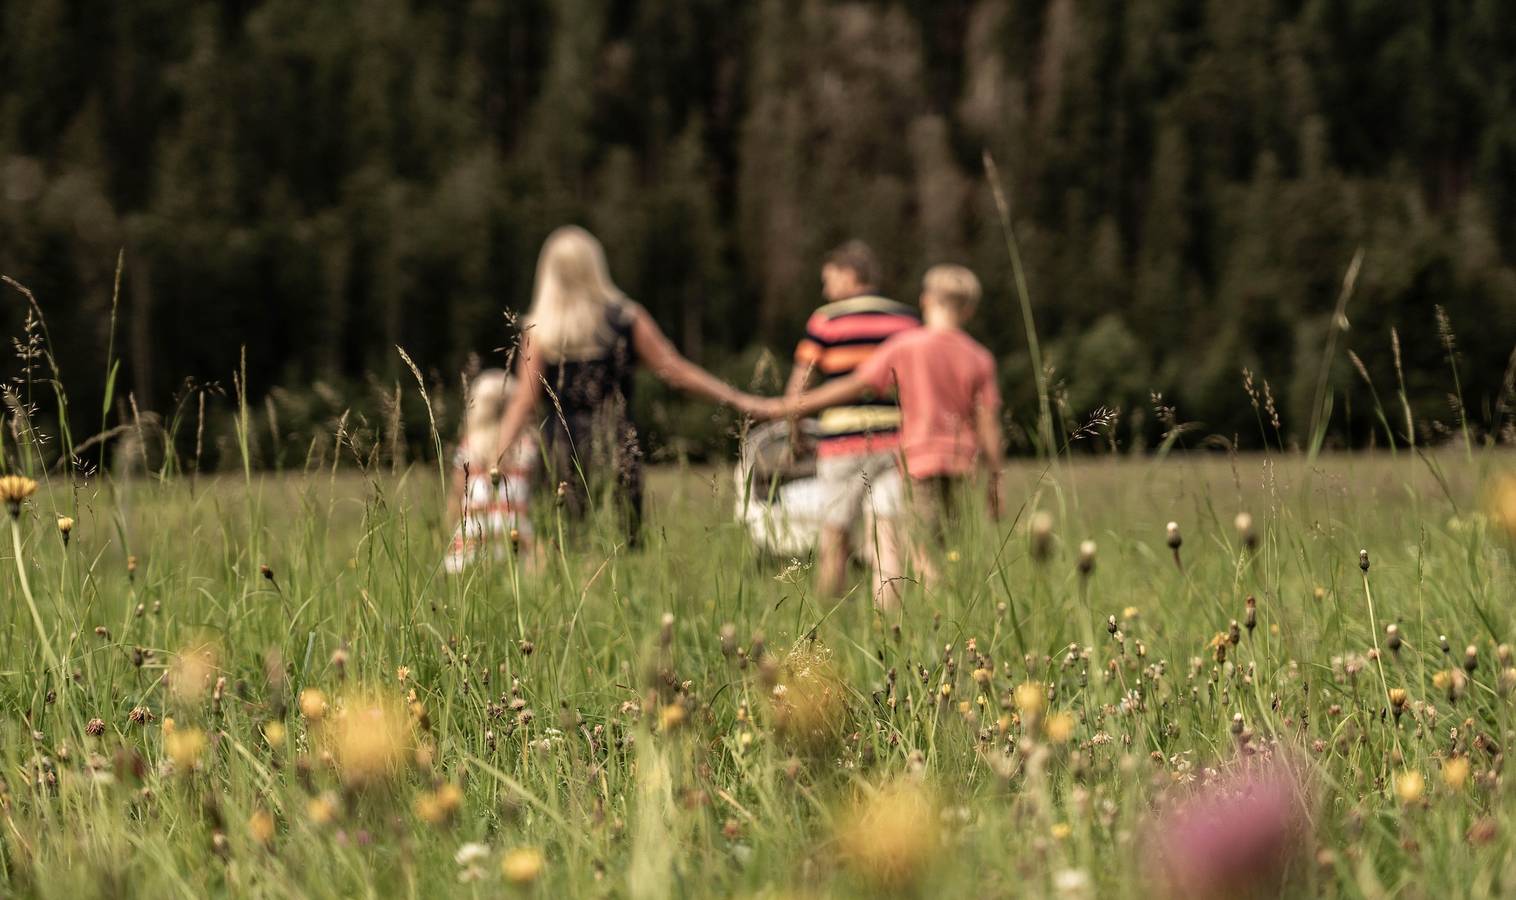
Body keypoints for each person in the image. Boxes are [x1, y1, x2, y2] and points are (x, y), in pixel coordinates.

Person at [746, 264, 1003, 607]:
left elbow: (854, 384)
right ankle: (933, 612)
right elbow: (989, 425)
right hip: (961, 465)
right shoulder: (979, 357)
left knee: (915, 549)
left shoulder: (906, 346)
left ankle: (943, 609)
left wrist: (787, 407)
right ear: (969, 309)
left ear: (926, 300)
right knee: (937, 545)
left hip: (917, 462)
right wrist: (994, 483)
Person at [493, 226, 746, 544]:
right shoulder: (627, 318)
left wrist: (494, 458)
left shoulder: (540, 329)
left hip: (558, 450)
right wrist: (739, 400)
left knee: (559, 545)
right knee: (621, 544)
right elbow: (676, 372)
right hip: (617, 446)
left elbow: (523, 401)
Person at [783, 240, 919, 599]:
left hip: (842, 441)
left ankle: (826, 626)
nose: (826, 290)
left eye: (829, 279)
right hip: (897, 441)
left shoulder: (826, 320)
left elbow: (801, 383)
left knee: (834, 536)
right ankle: (891, 627)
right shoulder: (906, 320)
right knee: (887, 536)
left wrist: (793, 428)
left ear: (849, 275)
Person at [445, 369, 537, 573]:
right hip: (515, 543)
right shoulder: (527, 448)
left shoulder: (468, 447)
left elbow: (456, 496)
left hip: (470, 544)